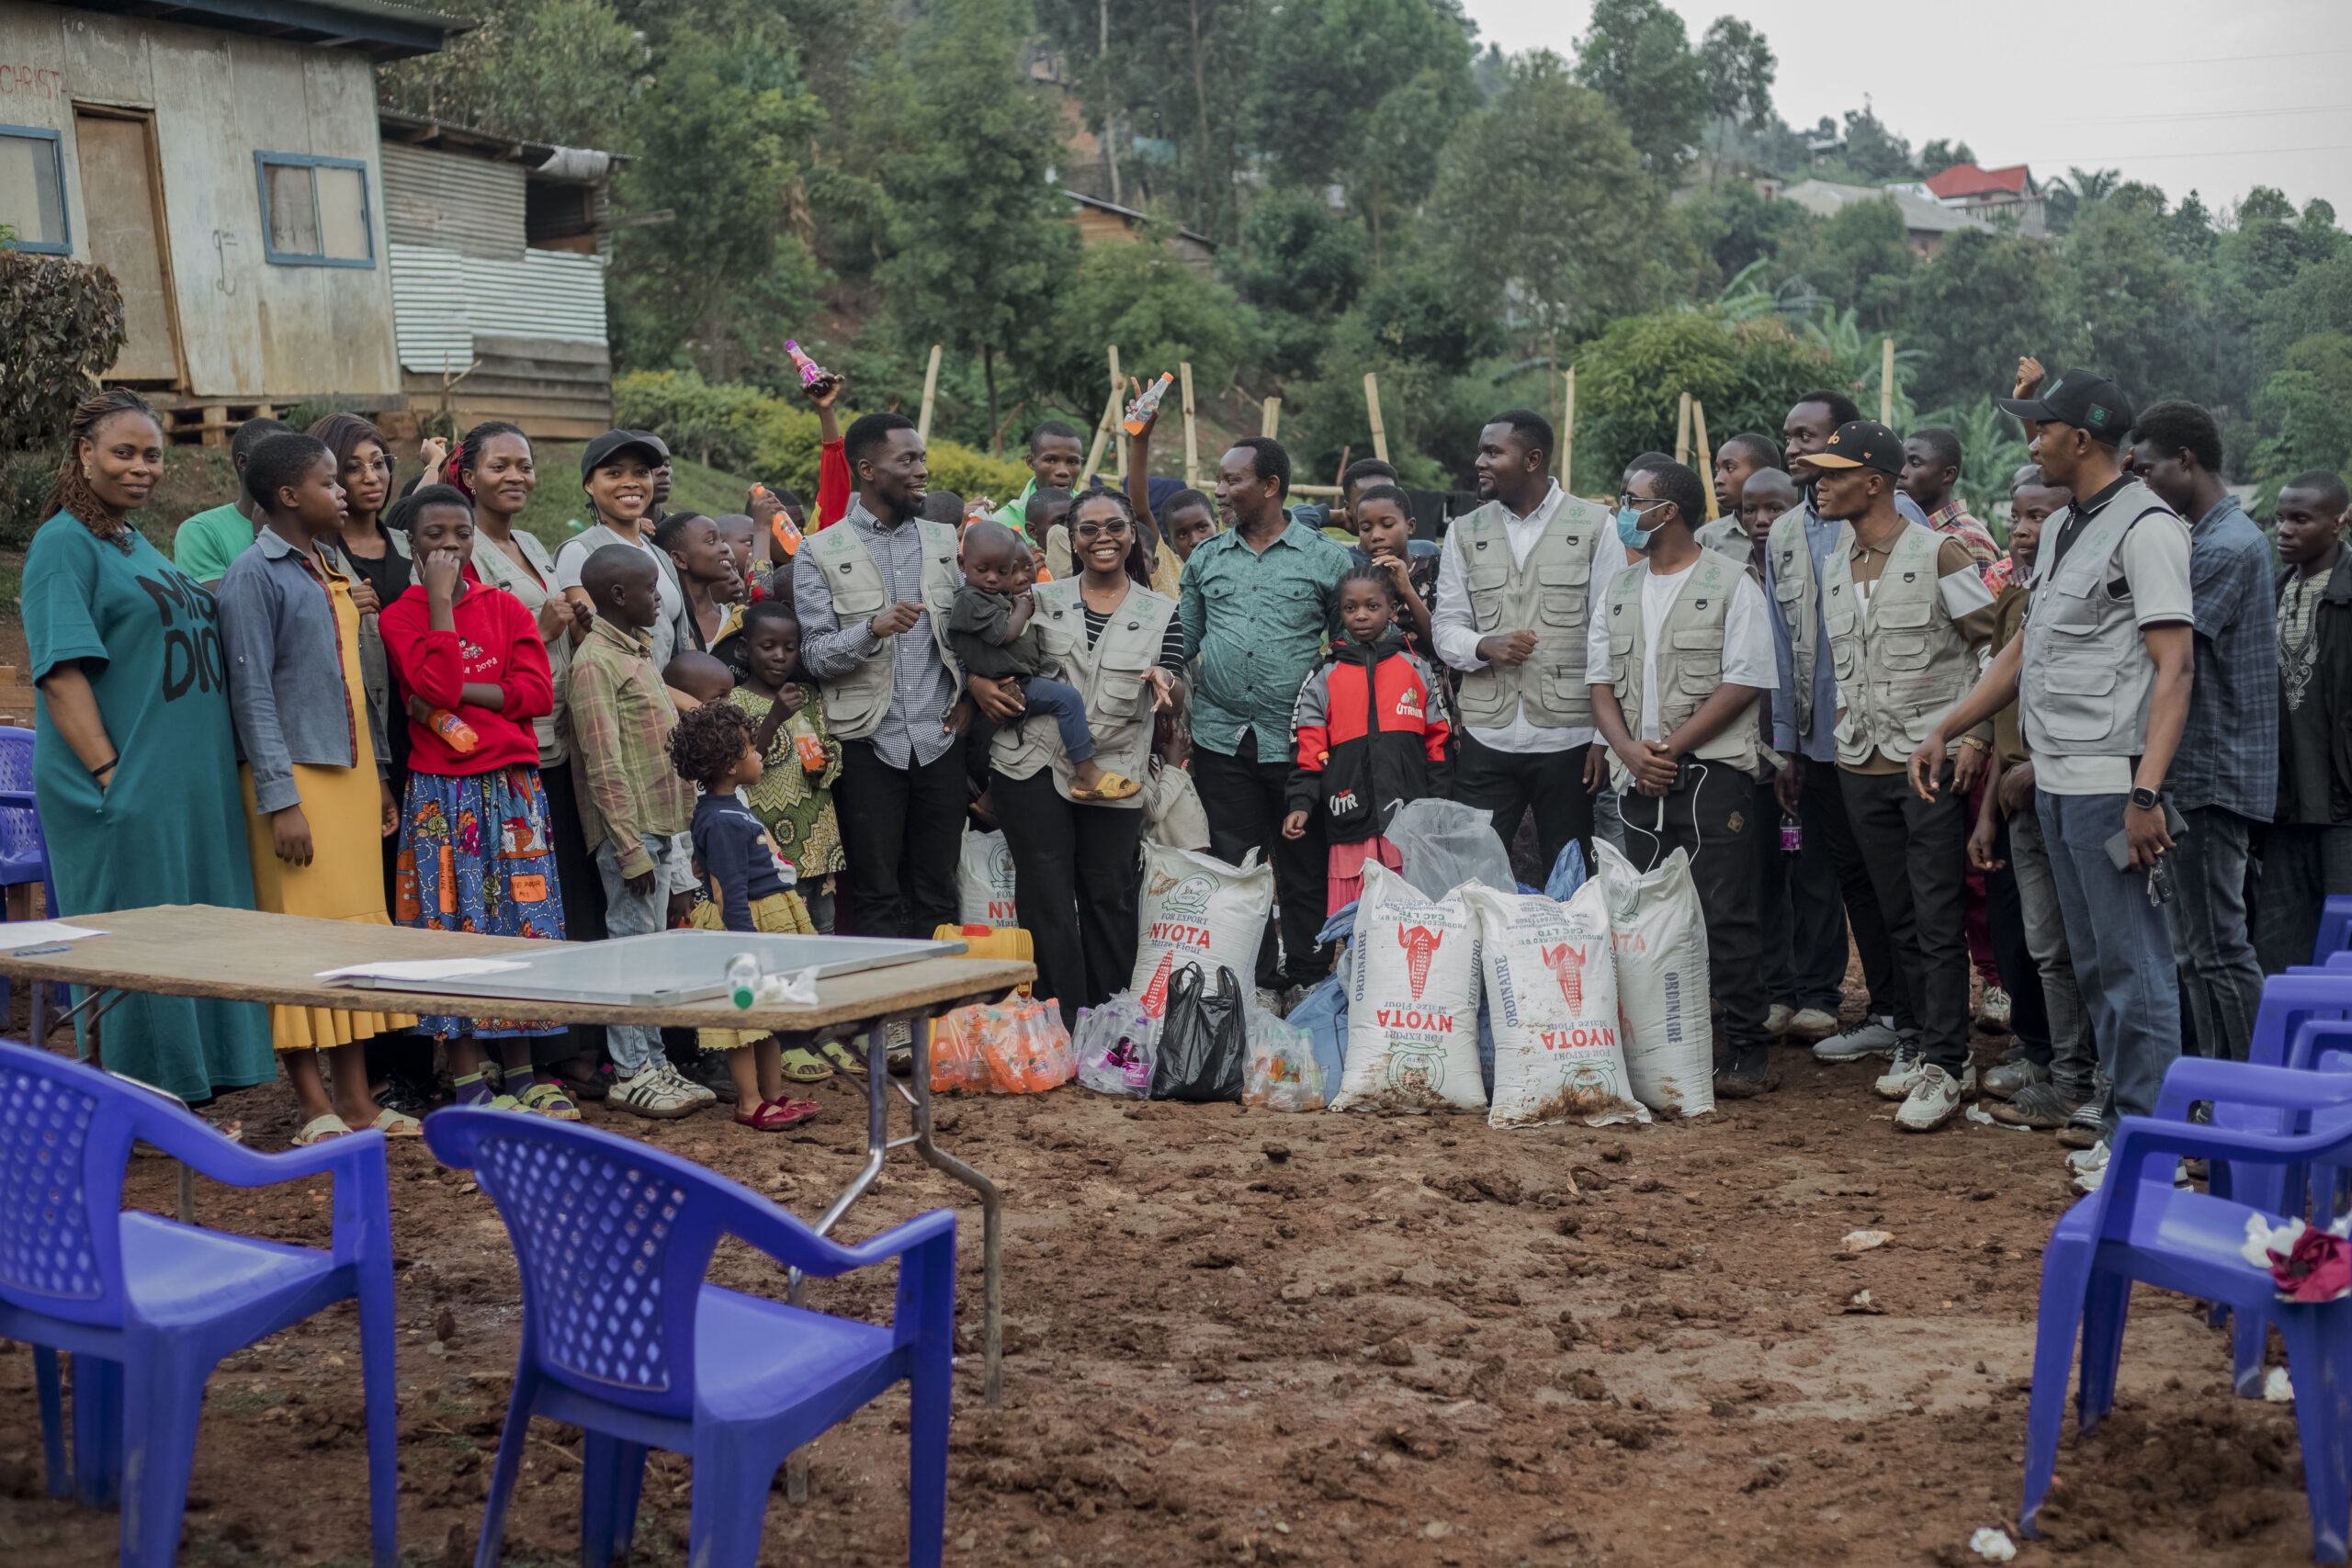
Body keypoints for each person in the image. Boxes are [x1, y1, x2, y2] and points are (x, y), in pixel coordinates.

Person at [1915, 364, 2194, 1195]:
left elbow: (2176, 669)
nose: (2030, 440)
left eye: (2041, 428)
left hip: (2115, 783)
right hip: (2061, 780)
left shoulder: (2148, 528)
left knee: (2135, 967)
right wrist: (1948, 724)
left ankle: (2154, 1148)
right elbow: (2023, 648)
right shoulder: (2070, 523)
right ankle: (2122, 1126)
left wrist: (2145, 793)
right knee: (2100, 965)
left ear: (2081, 438)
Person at [28, 391, 275, 1110]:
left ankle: (186, 1100)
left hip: (183, 787)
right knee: (136, 948)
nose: (142, 468)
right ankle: (137, 1110)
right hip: (122, 786)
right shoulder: (63, 543)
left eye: (153, 455)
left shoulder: (131, 540)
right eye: (124, 453)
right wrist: (112, 775)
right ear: (86, 454)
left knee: (189, 939)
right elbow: (60, 672)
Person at [217, 431, 417, 1143]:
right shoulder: (254, 574)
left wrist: (381, 776)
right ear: (287, 496)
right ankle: (312, 1106)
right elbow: (251, 695)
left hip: (352, 774)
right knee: (299, 943)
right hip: (296, 781)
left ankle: (358, 1101)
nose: (343, 491)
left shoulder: (329, 564)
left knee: (350, 941)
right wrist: (280, 799)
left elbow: (360, 686)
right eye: (329, 482)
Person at [1805, 420, 1999, 1130]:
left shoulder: (1939, 552)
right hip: (1861, 761)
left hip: (1929, 762)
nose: (1819, 484)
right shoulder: (1837, 562)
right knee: (1898, 915)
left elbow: (1992, 649)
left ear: (1874, 481)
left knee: (1937, 914)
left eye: (1833, 473)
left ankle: (1949, 1062)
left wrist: (1975, 734)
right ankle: (1922, 1041)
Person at [377, 488, 579, 1115]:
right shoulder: (401, 616)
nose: (449, 545)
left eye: (460, 533)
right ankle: (468, 1081)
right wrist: (441, 605)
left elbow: (535, 695)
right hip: (443, 792)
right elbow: (433, 688)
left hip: (512, 788)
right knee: (454, 926)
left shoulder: (506, 607)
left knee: (518, 926)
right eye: (433, 534)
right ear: (411, 543)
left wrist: (459, 692)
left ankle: (521, 1074)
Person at [1587, 459, 1778, 1096]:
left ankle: (1747, 1047)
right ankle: (1659, 1043)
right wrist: (1629, 752)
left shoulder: (1730, 583)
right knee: (1648, 914)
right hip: (1638, 777)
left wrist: (1666, 750)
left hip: (1711, 776)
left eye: (1630, 499)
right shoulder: (1620, 589)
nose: (1621, 510)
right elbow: (1600, 683)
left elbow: (1745, 680)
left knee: (1724, 911)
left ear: (1666, 512)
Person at [1767, 389, 1933, 1059]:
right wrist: (1786, 745)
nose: (1793, 448)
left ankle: (1928, 1028)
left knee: (1907, 884)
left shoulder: (1901, 520)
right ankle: (1890, 1013)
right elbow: (1782, 645)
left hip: (1892, 738)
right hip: (1821, 740)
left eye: (1807, 437)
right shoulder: (1785, 532)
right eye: (1789, 436)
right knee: (1855, 877)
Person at [991, 487, 1184, 1025]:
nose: (1104, 538)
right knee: (1045, 895)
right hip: (1030, 762)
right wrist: (984, 687)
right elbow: (994, 656)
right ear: (1072, 539)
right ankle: (1059, 1021)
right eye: (1090, 529)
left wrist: (1165, 680)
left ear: (1132, 535)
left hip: (1115, 769)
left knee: (1108, 894)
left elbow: (1176, 686)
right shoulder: (1039, 598)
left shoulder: (1161, 611)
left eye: (1115, 527)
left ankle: (1109, 1022)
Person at [2126, 400, 2278, 1063]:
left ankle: (2252, 1093)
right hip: (2198, 773)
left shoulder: (2223, 547)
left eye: (2148, 470)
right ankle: (2216, 1089)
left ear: (2185, 460)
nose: (2143, 483)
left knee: (2217, 949)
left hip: (2212, 776)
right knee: (2194, 951)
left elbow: (2165, 657)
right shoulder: (2210, 537)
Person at [796, 412, 974, 959]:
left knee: (939, 889)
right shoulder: (818, 550)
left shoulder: (944, 540)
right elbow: (815, 656)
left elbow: (967, 631)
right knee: (876, 893)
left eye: (922, 459)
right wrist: (871, 629)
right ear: (868, 470)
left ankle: (938, 1006)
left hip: (939, 738)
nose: (922, 471)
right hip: (867, 742)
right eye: (908, 460)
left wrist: (970, 694)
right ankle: (887, 1007)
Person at [1180, 434, 1351, 994]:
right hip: (1221, 737)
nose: (1219, 491)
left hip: (1299, 743)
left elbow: (1348, 648)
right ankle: (1248, 986)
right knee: (1236, 867)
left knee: (1303, 867)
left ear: (1271, 486)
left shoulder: (1327, 559)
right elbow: (1184, 636)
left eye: (1232, 481)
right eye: (1221, 480)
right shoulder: (1207, 557)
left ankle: (1306, 978)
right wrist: (1158, 668)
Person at [1430, 410, 1616, 890]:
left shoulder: (1597, 526)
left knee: (1571, 876)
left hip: (1570, 738)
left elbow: (1612, 636)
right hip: (1486, 736)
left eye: (1493, 452)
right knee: (1470, 876)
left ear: (1532, 459)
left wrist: (1603, 736)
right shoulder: (1465, 531)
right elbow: (1446, 626)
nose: (1480, 462)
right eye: (1481, 451)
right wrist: (1483, 645)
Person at [566, 543, 714, 1116]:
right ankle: (630, 1072)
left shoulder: (637, 651)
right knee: (629, 952)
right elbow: (602, 763)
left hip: (658, 825)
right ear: (618, 595)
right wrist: (628, 848)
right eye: (650, 589)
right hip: (629, 833)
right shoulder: (595, 663)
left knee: (650, 954)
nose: (659, 598)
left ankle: (654, 1062)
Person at [1977, 467, 2097, 1136]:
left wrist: (2039, 769)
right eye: (2017, 516)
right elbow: (2004, 708)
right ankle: (2060, 1070)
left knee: (2093, 947)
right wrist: (1989, 808)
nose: (2023, 530)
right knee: (2046, 945)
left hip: (2072, 788)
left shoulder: (2092, 592)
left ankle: (2091, 1079)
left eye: (2039, 517)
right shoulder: (2018, 596)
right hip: (2018, 794)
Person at [664, 700, 823, 1129]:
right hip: (744, 928)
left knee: (765, 1018)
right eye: (752, 748)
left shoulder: (729, 807)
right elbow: (727, 890)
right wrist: (744, 943)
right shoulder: (721, 820)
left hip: (761, 922)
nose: (759, 754)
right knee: (744, 1021)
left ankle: (772, 1095)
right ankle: (750, 1102)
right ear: (731, 765)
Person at [1284, 563, 1454, 908]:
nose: (1361, 615)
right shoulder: (1324, 675)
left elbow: (1438, 743)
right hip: (1350, 821)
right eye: (1350, 608)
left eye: (1372, 606)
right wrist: (1300, 803)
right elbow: (1308, 747)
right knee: (1355, 917)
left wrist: (1438, 803)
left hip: (1410, 824)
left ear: (1392, 610)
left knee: (1410, 913)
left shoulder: (1416, 667)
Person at [1731, 465, 1827, 1040]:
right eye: (1751, 510)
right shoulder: (1728, 574)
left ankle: (1820, 993)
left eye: (1775, 508)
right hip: (1753, 755)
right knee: (1762, 877)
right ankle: (1778, 990)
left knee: (1813, 877)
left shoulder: (1817, 565)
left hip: (1808, 748)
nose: (1762, 520)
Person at [949, 520, 1141, 801]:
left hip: (1015, 680)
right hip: (1008, 684)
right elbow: (1004, 633)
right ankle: (1086, 772)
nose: (992, 578)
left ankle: (990, 800)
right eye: (982, 570)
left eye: (1002, 571)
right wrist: (1022, 608)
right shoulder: (970, 600)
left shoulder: (993, 596)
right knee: (1068, 699)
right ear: (962, 564)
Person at [2261, 470, 2352, 973]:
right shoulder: (2270, 595)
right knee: (2279, 956)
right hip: (2285, 809)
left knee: (2344, 952)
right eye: (2280, 519)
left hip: (2342, 807)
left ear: (2340, 522)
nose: (2285, 530)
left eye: (2300, 519)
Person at [729, 602, 849, 948]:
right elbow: (741, 763)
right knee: (778, 933)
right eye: (768, 647)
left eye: (790, 648)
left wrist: (825, 763)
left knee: (822, 930)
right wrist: (774, 718)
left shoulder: (809, 696)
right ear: (745, 648)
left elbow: (831, 745)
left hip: (816, 840)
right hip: (768, 842)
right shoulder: (735, 702)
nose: (780, 656)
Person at [554, 430, 692, 670]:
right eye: (614, 474)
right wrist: (677, 694)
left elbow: (681, 640)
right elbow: (598, 648)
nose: (631, 482)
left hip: (670, 691)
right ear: (589, 485)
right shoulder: (581, 552)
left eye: (641, 472)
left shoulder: (658, 554)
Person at [171, 415, 292, 587]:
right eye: (278, 457)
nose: (290, 468)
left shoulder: (304, 526)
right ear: (243, 462)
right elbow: (227, 601)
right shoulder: (201, 531)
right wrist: (263, 542)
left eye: (294, 460)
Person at [1899, 429, 2002, 576]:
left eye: (1915, 464)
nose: (1901, 472)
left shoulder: (1968, 538)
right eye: (1901, 462)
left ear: (1948, 475)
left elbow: (1984, 591)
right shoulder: (1906, 529)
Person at [1351, 483, 1437, 652]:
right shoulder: (1359, 579)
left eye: (1388, 525)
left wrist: (1406, 590)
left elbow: (1442, 644)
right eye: (1366, 528)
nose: (1376, 536)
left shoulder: (1434, 569)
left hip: (1430, 669)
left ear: (1410, 526)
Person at [657, 510, 743, 654]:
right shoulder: (664, 625)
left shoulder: (740, 619)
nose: (724, 548)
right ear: (679, 559)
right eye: (711, 542)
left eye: (722, 541)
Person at [1698, 432, 1782, 564]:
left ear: (1764, 474)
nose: (1718, 479)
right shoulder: (1706, 539)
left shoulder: (1798, 531)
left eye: (1729, 468)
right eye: (1717, 471)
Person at [992, 420, 1087, 536]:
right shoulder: (1001, 523)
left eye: (1072, 462)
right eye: (1051, 460)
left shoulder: (1092, 514)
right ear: (1031, 462)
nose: (1063, 471)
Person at [1163, 489, 1219, 562]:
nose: (1195, 541)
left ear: (1216, 528)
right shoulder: (1173, 569)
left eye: (1202, 528)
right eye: (1182, 535)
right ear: (1172, 544)